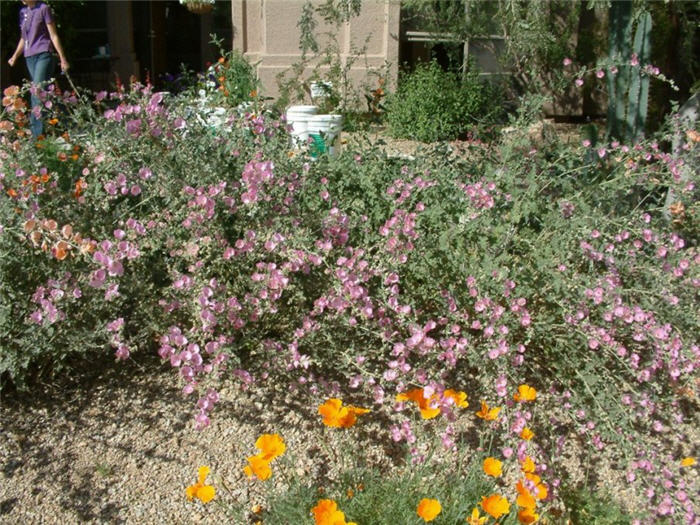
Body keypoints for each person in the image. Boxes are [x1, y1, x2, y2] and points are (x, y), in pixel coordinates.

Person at [7, 0, 69, 139]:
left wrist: (62, 58)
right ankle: (70, 123)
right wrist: (15, 56)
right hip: (29, 56)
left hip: (44, 54)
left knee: (36, 92)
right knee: (47, 93)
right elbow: (24, 38)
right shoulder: (23, 12)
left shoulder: (44, 8)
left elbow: (53, 35)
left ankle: (37, 137)